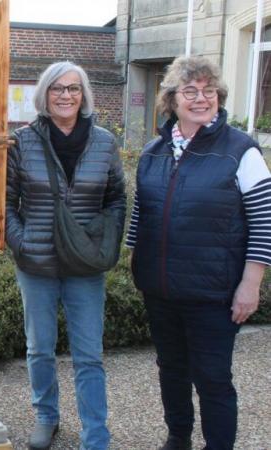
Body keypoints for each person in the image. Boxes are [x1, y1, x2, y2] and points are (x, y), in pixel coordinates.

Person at [126, 55, 270, 450]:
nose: (201, 98)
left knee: (212, 377)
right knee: (171, 370)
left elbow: (265, 222)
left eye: (209, 91)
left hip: (215, 294)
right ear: (172, 99)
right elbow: (141, 215)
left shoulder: (241, 151)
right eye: (190, 91)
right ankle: (178, 438)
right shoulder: (154, 151)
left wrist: (250, 285)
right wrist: (136, 268)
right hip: (162, 292)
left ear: (219, 98)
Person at [6, 61, 126, 450]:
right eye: (57, 88)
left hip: (85, 265)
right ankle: (46, 416)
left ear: (84, 95)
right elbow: (4, 202)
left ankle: (96, 434)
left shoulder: (105, 141)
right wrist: (21, 242)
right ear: (44, 94)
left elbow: (117, 198)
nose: (66, 95)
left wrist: (106, 243)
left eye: (74, 88)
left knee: (89, 354)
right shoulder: (22, 141)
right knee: (39, 348)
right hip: (36, 262)